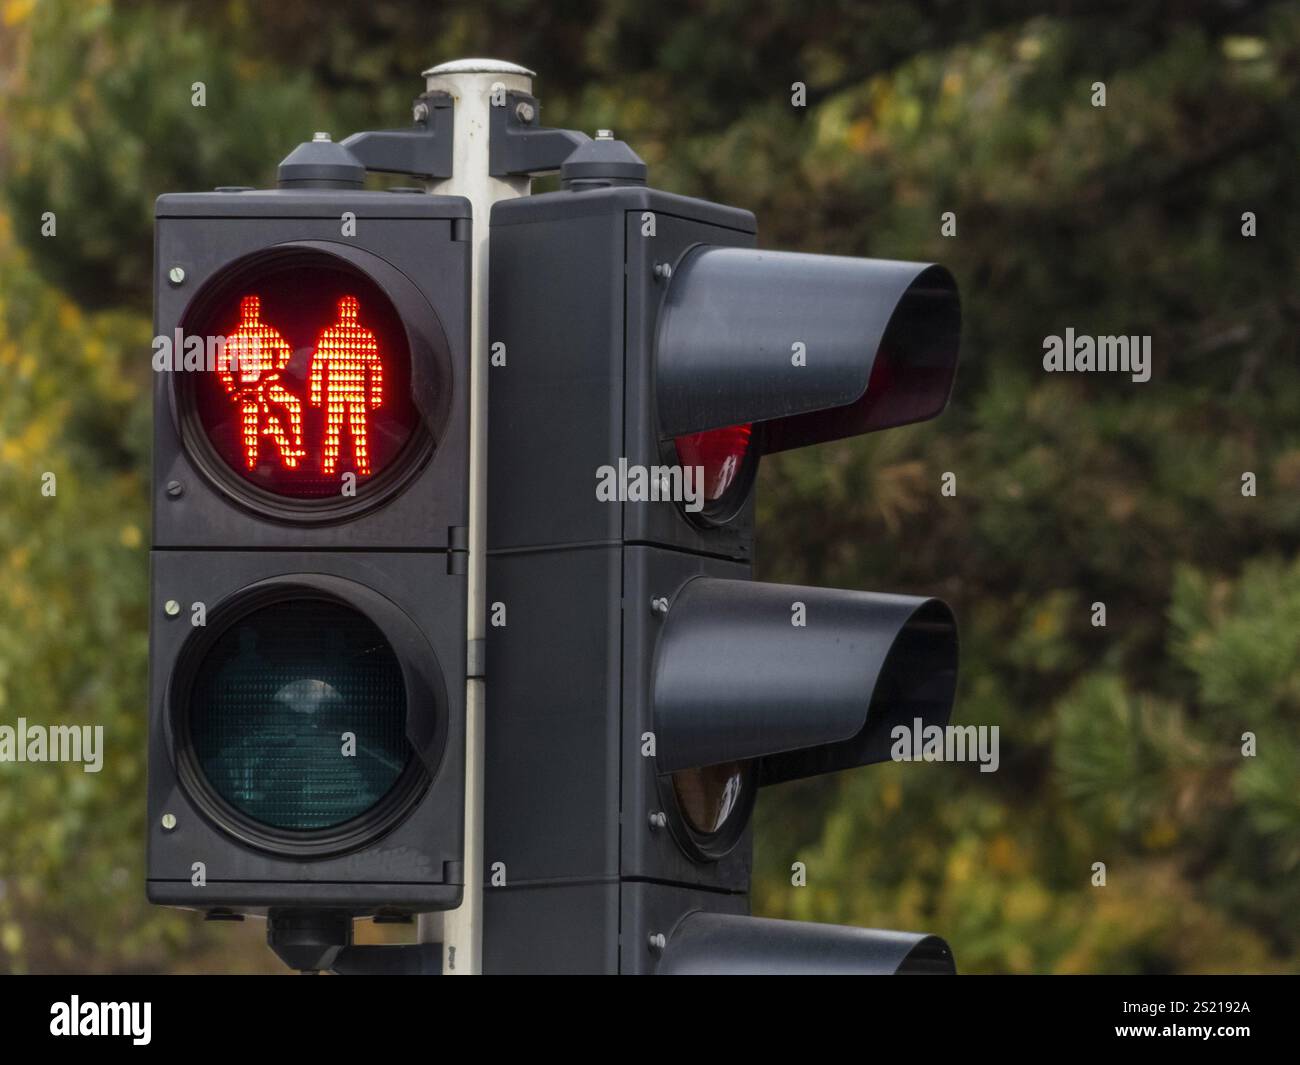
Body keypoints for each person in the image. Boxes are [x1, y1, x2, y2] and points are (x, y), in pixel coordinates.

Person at [217, 294, 305, 469]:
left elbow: (285, 353)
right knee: (250, 420)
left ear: (256, 311)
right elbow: (222, 366)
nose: (250, 312)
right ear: (243, 312)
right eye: (247, 309)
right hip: (247, 390)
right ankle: (251, 461)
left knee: (293, 404)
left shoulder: (268, 332)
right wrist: (232, 389)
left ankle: (295, 445)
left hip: (269, 384)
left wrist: (275, 372)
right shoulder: (234, 338)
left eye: (253, 309)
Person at [308, 294, 384, 477]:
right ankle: (329, 466)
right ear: (340, 311)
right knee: (332, 429)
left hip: (356, 391)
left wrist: (375, 394)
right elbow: (318, 365)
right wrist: (316, 393)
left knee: (359, 431)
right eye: (345, 309)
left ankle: (362, 465)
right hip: (335, 391)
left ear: (356, 312)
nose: (348, 313)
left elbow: (375, 366)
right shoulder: (329, 334)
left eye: (351, 309)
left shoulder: (365, 335)